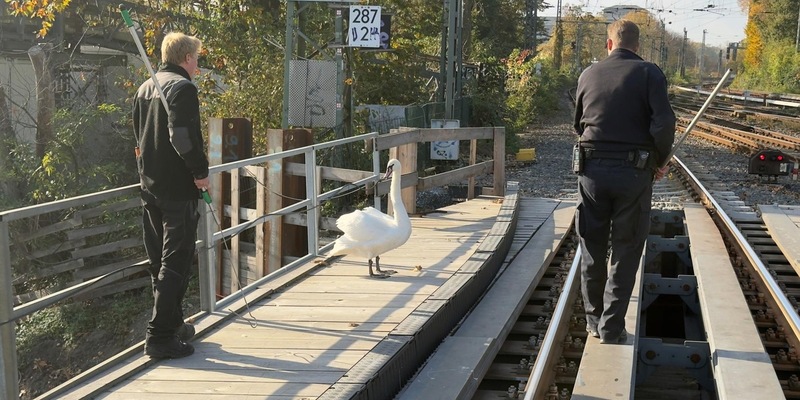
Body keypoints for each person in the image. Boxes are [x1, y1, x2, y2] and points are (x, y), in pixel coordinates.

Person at [573, 20, 676, 344]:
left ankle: (593, 322)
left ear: (609, 44)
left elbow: (579, 124)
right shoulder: (649, 73)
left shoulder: (588, 74)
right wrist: (658, 162)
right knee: (626, 248)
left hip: (591, 173)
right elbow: (664, 123)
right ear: (637, 45)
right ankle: (611, 328)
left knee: (592, 246)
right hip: (633, 173)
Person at [132, 32, 209, 359]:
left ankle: (174, 322)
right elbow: (181, 137)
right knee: (175, 262)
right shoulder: (183, 88)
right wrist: (200, 171)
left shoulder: (145, 87)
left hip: (150, 187)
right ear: (187, 57)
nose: (197, 65)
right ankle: (160, 337)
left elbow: (137, 140)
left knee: (159, 261)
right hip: (178, 189)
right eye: (197, 58)